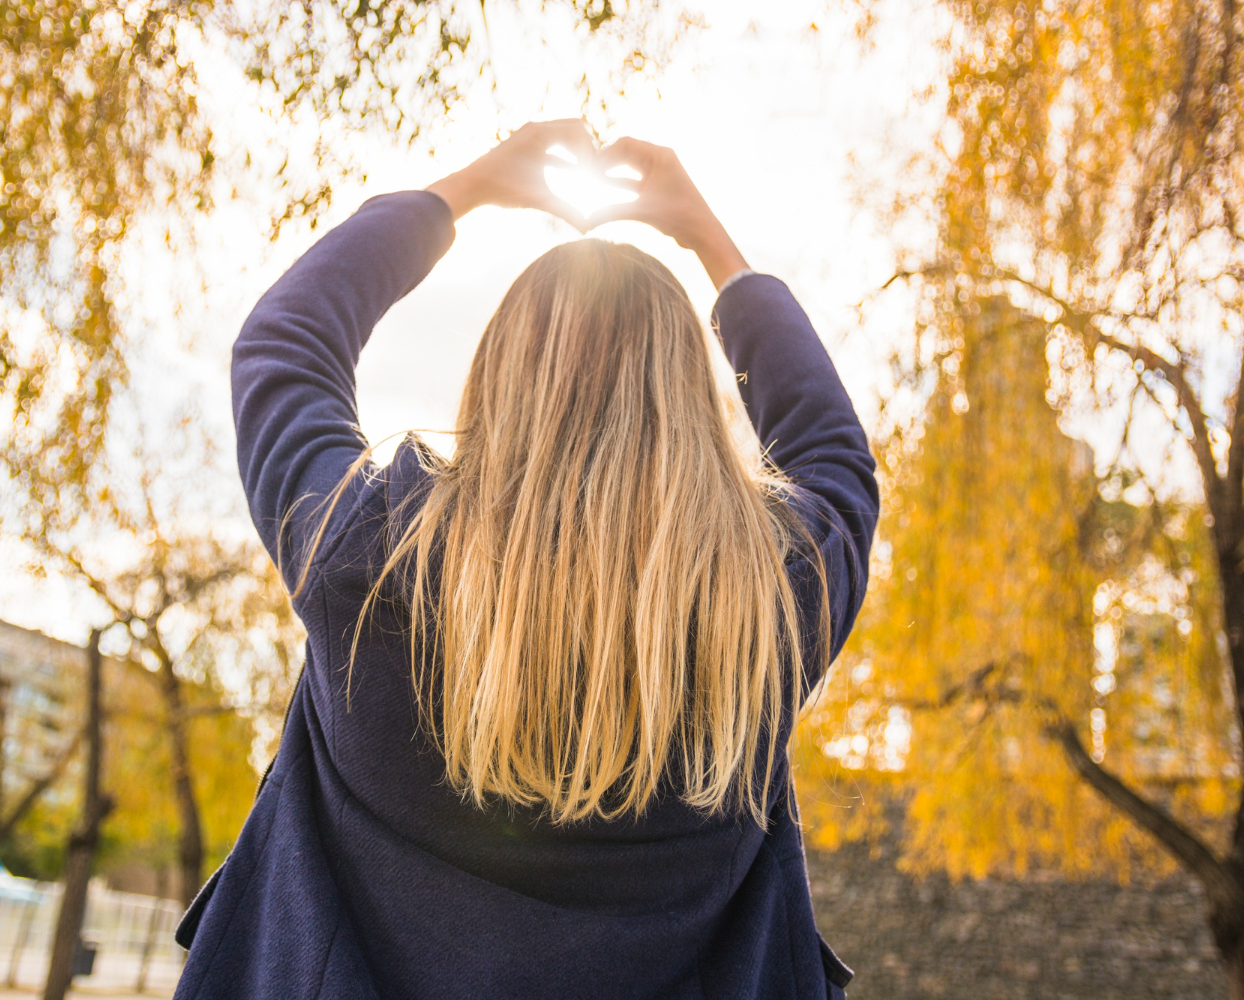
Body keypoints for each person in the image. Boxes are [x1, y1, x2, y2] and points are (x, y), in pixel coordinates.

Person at [173, 120, 879, 1000]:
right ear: (690, 399)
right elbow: (836, 458)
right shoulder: (770, 604)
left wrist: (465, 189)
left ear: (499, 372)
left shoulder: (370, 555)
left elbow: (286, 340)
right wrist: (706, 234)